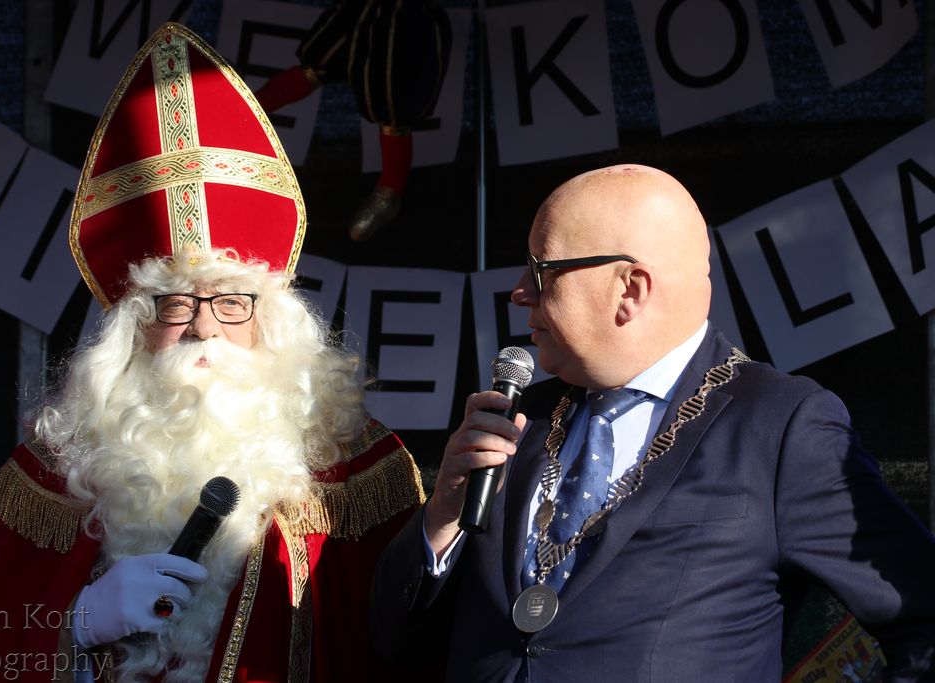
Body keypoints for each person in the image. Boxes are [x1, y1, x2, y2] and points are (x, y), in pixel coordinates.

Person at [0, 23, 426, 683]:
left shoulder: (357, 470)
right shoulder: (51, 474)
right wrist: (77, 624)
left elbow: (410, 646)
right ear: (132, 328)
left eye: (231, 301)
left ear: (270, 320)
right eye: (174, 303)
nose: (203, 327)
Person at [370, 164, 935, 681]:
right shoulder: (518, 420)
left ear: (630, 289)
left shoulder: (779, 424)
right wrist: (442, 519)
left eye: (542, 271)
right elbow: (393, 641)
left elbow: (923, 617)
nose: (520, 292)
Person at [254, 0, 451, 241]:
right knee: (319, 61)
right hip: (360, 10)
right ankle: (243, 107)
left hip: (403, 16)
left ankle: (389, 191)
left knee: (391, 88)